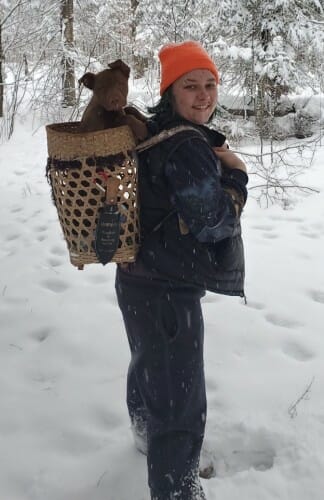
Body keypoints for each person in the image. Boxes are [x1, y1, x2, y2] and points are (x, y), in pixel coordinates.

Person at [115, 41, 248, 500]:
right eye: (190, 86)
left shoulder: (153, 132)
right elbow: (214, 223)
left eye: (210, 84)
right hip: (169, 288)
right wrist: (236, 176)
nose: (204, 95)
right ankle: (177, 490)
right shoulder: (187, 146)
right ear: (169, 92)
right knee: (180, 403)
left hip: (136, 279)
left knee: (149, 365)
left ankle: (143, 431)